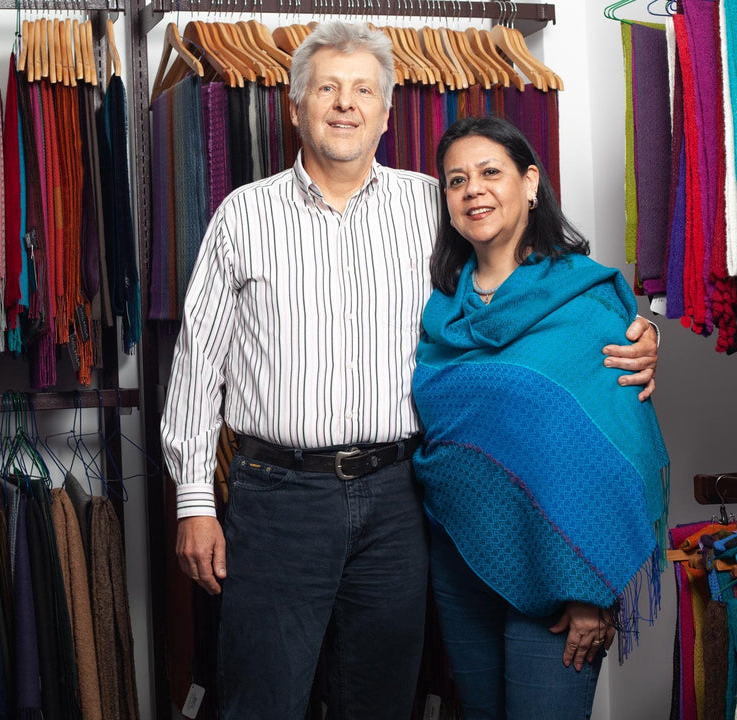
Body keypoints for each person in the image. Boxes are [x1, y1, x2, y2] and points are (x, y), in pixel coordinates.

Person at [160, 22, 659, 720]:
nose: (344, 103)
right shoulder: (243, 215)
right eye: (327, 88)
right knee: (262, 698)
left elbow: (522, 296)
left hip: (399, 499)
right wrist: (193, 502)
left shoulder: (436, 206)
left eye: (363, 89)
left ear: (387, 113)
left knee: (383, 699)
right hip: (277, 497)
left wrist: (627, 334)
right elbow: (197, 361)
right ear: (295, 105)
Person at [411, 115, 669, 720]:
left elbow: (616, 445)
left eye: (490, 172)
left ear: (530, 184)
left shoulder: (583, 296)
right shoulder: (439, 307)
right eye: (456, 180)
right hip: (459, 562)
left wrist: (590, 588)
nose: (473, 189)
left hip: (562, 575)